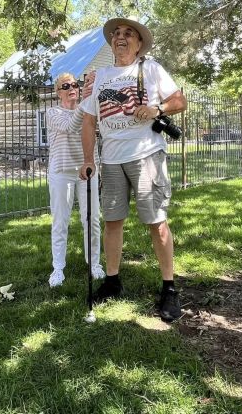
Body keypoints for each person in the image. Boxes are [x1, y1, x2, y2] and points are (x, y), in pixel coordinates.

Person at [79, 18, 187, 322]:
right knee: (112, 221)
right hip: (111, 159)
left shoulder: (150, 69)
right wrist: (89, 159)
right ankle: (112, 281)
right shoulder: (97, 77)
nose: (120, 38)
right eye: (116, 34)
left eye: (128, 34)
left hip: (146, 155)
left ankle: (169, 288)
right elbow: (89, 121)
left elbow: (179, 100)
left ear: (139, 44)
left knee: (156, 221)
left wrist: (157, 109)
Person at [46, 72, 104, 287]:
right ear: (58, 92)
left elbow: (94, 138)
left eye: (75, 84)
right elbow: (70, 125)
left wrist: (98, 168)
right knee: (60, 221)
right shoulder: (52, 113)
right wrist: (88, 101)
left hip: (87, 171)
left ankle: (94, 263)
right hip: (61, 172)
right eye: (65, 85)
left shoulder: (89, 112)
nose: (72, 88)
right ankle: (58, 268)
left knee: (92, 220)